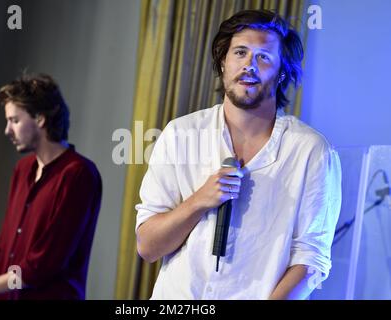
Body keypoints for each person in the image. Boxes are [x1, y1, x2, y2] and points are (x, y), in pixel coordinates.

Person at [135, 10, 342, 299]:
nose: (249, 65)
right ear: (223, 62)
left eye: (264, 56)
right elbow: (148, 246)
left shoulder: (311, 151)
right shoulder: (180, 134)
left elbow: (311, 260)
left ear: (282, 71)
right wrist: (199, 201)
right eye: (240, 52)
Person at [0, 73, 102, 300]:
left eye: (14, 120)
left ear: (40, 119)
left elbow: (42, 265)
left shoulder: (78, 174)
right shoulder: (23, 169)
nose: (7, 130)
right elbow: (4, 249)